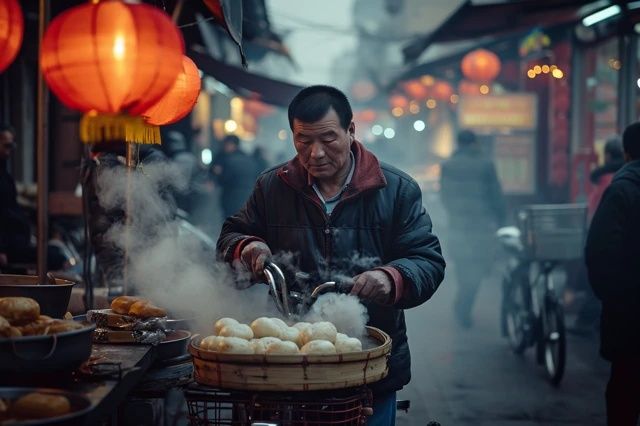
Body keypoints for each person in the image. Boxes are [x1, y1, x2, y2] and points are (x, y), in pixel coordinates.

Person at [217, 85, 445, 425]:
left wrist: (391, 277)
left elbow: (427, 260)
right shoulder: (272, 187)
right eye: (303, 140)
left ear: (351, 130)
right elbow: (228, 238)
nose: (316, 153)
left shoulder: (397, 190)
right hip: (287, 362)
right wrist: (246, 247)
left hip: (368, 362)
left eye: (328, 138)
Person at [585, 122, 640, 426]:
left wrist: (613, 298)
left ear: (627, 153)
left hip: (630, 310)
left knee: (625, 386)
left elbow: (599, 251)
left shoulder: (622, 189)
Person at [440, 130, 506, 328]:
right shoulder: (486, 164)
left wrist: (453, 214)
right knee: (476, 269)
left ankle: (462, 302)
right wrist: (502, 220)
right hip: (480, 226)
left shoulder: (448, 165)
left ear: (458, 143)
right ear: (475, 143)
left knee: (463, 266)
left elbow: (444, 195)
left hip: (458, 225)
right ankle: (464, 305)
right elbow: (496, 194)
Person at [0, 124, 33, 270]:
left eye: (11, 146)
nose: (9, 151)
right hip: (7, 247)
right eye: (6, 146)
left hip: (14, 242)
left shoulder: (5, 174)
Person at [211, 135, 261, 218]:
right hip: (248, 197)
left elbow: (223, 180)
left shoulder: (229, 160)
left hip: (231, 198)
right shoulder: (250, 159)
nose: (224, 147)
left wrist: (218, 173)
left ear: (232, 145)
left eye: (226, 145)